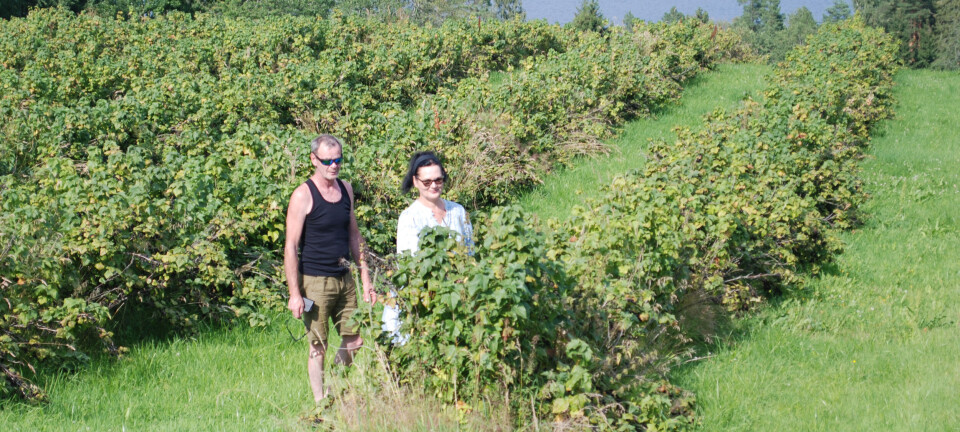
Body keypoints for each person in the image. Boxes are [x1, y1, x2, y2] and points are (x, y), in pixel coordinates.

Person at [284, 134, 377, 406]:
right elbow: (290, 246)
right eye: (327, 161)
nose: (334, 166)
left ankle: (333, 389)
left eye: (338, 160)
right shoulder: (303, 195)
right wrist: (294, 294)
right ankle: (320, 403)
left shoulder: (346, 189)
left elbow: (355, 236)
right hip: (314, 281)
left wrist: (366, 279)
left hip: (345, 278)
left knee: (355, 340)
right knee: (318, 346)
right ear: (314, 159)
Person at [382, 151, 473, 343]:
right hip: (425, 293)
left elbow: (469, 251)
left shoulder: (458, 211)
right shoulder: (410, 217)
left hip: (458, 291)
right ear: (415, 182)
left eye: (438, 180)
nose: (434, 185)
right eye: (427, 182)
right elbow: (409, 263)